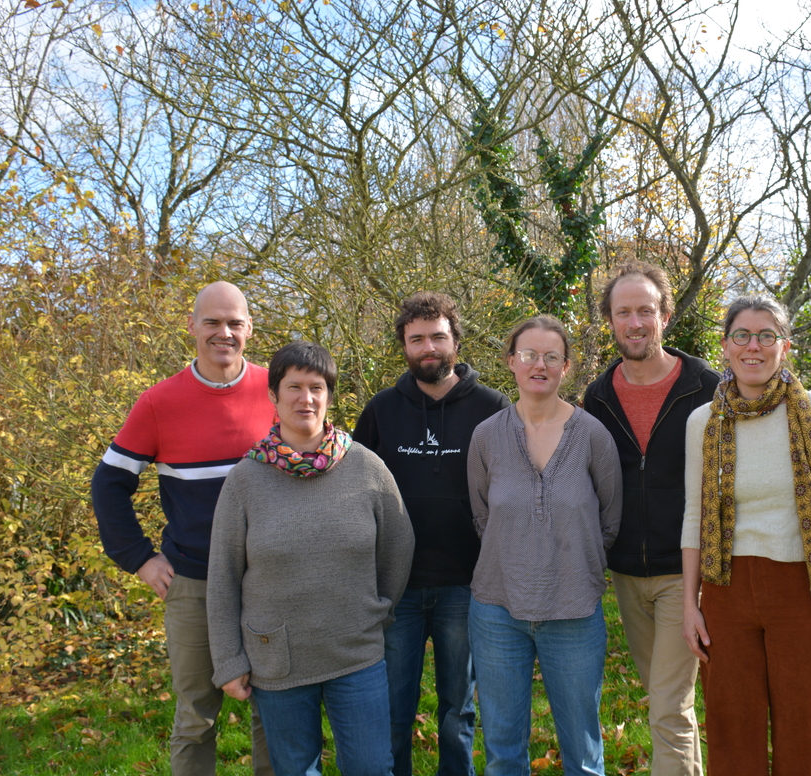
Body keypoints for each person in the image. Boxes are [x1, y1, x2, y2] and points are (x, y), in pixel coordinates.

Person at [90, 281, 275, 776]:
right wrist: (138, 557)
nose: (224, 332)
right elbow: (108, 485)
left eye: (235, 322)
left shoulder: (278, 389)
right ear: (191, 327)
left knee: (273, 710)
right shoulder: (158, 402)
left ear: (249, 329)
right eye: (212, 322)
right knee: (197, 716)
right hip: (193, 580)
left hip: (271, 580)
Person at [207, 341, 415, 776]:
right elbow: (223, 577)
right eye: (294, 387)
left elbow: (397, 549)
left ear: (329, 395)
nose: (306, 398)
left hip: (355, 652)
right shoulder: (245, 480)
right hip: (278, 660)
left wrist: (376, 611)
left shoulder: (367, 469)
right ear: (273, 396)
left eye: (316, 387)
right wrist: (229, 660)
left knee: (373, 767)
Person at [681, 296, 811, 776]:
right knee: (731, 722)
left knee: (807, 719)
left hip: (804, 587)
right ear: (725, 346)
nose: (752, 346)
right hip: (725, 588)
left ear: (785, 347)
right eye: (741, 335)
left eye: (765, 336)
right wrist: (691, 602)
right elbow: (693, 516)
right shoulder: (703, 422)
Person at [352, 292, 509, 776]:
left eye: (438, 336)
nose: (428, 347)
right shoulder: (381, 411)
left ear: (455, 341)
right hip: (396, 586)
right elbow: (353, 491)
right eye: (416, 338)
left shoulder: (493, 409)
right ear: (403, 345)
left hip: (466, 584)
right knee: (393, 709)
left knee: (457, 709)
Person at [466, 316, 622, 776]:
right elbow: (481, 515)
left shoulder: (593, 436)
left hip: (573, 609)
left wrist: (573, 561)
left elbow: (609, 520)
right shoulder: (486, 437)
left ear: (566, 367)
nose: (540, 364)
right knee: (502, 751)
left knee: (583, 753)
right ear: (510, 361)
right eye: (529, 355)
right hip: (497, 611)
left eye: (551, 356)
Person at [582, 261, 719, 776]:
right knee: (667, 701)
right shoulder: (598, 396)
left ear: (665, 316)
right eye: (623, 313)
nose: (635, 322)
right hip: (626, 572)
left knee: (666, 704)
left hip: (687, 570)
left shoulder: (706, 385)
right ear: (611, 322)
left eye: (645, 310)